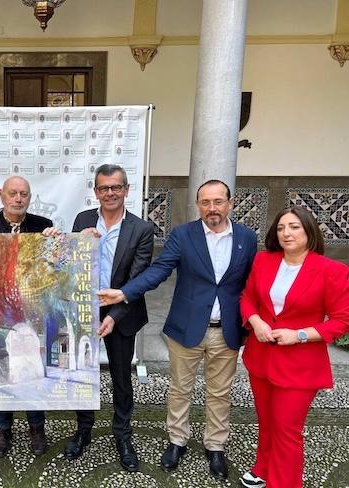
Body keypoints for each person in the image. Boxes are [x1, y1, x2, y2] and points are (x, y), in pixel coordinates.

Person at [98, 179, 257, 480]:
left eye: (218, 202)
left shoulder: (246, 238)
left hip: (227, 330)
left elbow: (252, 281)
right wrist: (125, 293)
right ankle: (177, 440)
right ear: (198, 205)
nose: (212, 208)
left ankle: (215, 445)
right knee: (180, 388)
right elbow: (159, 270)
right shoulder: (184, 235)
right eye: (205, 202)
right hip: (187, 327)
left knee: (220, 392)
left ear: (230, 203)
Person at [238, 206, 348, 488]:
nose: (286, 233)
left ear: (309, 230)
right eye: (281, 228)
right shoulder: (264, 261)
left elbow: (341, 320)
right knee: (267, 420)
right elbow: (247, 297)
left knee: (288, 430)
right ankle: (263, 467)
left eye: (294, 227)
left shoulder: (331, 271)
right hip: (261, 355)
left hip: (299, 363)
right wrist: (256, 321)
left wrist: (299, 334)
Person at [63, 164, 154, 472]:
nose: (110, 193)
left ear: (126, 190)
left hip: (122, 313)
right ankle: (83, 430)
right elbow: (69, 266)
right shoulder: (83, 220)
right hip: (83, 309)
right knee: (81, 374)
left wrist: (114, 315)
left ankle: (123, 435)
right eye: (104, 188)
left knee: (121, 377)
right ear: (96, 192)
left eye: (116, 187)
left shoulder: (141, 229)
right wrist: (76, 241)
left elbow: (136, 280)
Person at [0, 175, 57, 458]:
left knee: (31, 364)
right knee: (1, 365)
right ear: (3, 196)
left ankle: (36, 426)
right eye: (13, 193)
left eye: (24, 194)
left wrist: (55, 245)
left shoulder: (43, 226)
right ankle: (2, 427)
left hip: (31, 306)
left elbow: (52, 268)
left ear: (29, 198)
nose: (19, 198)